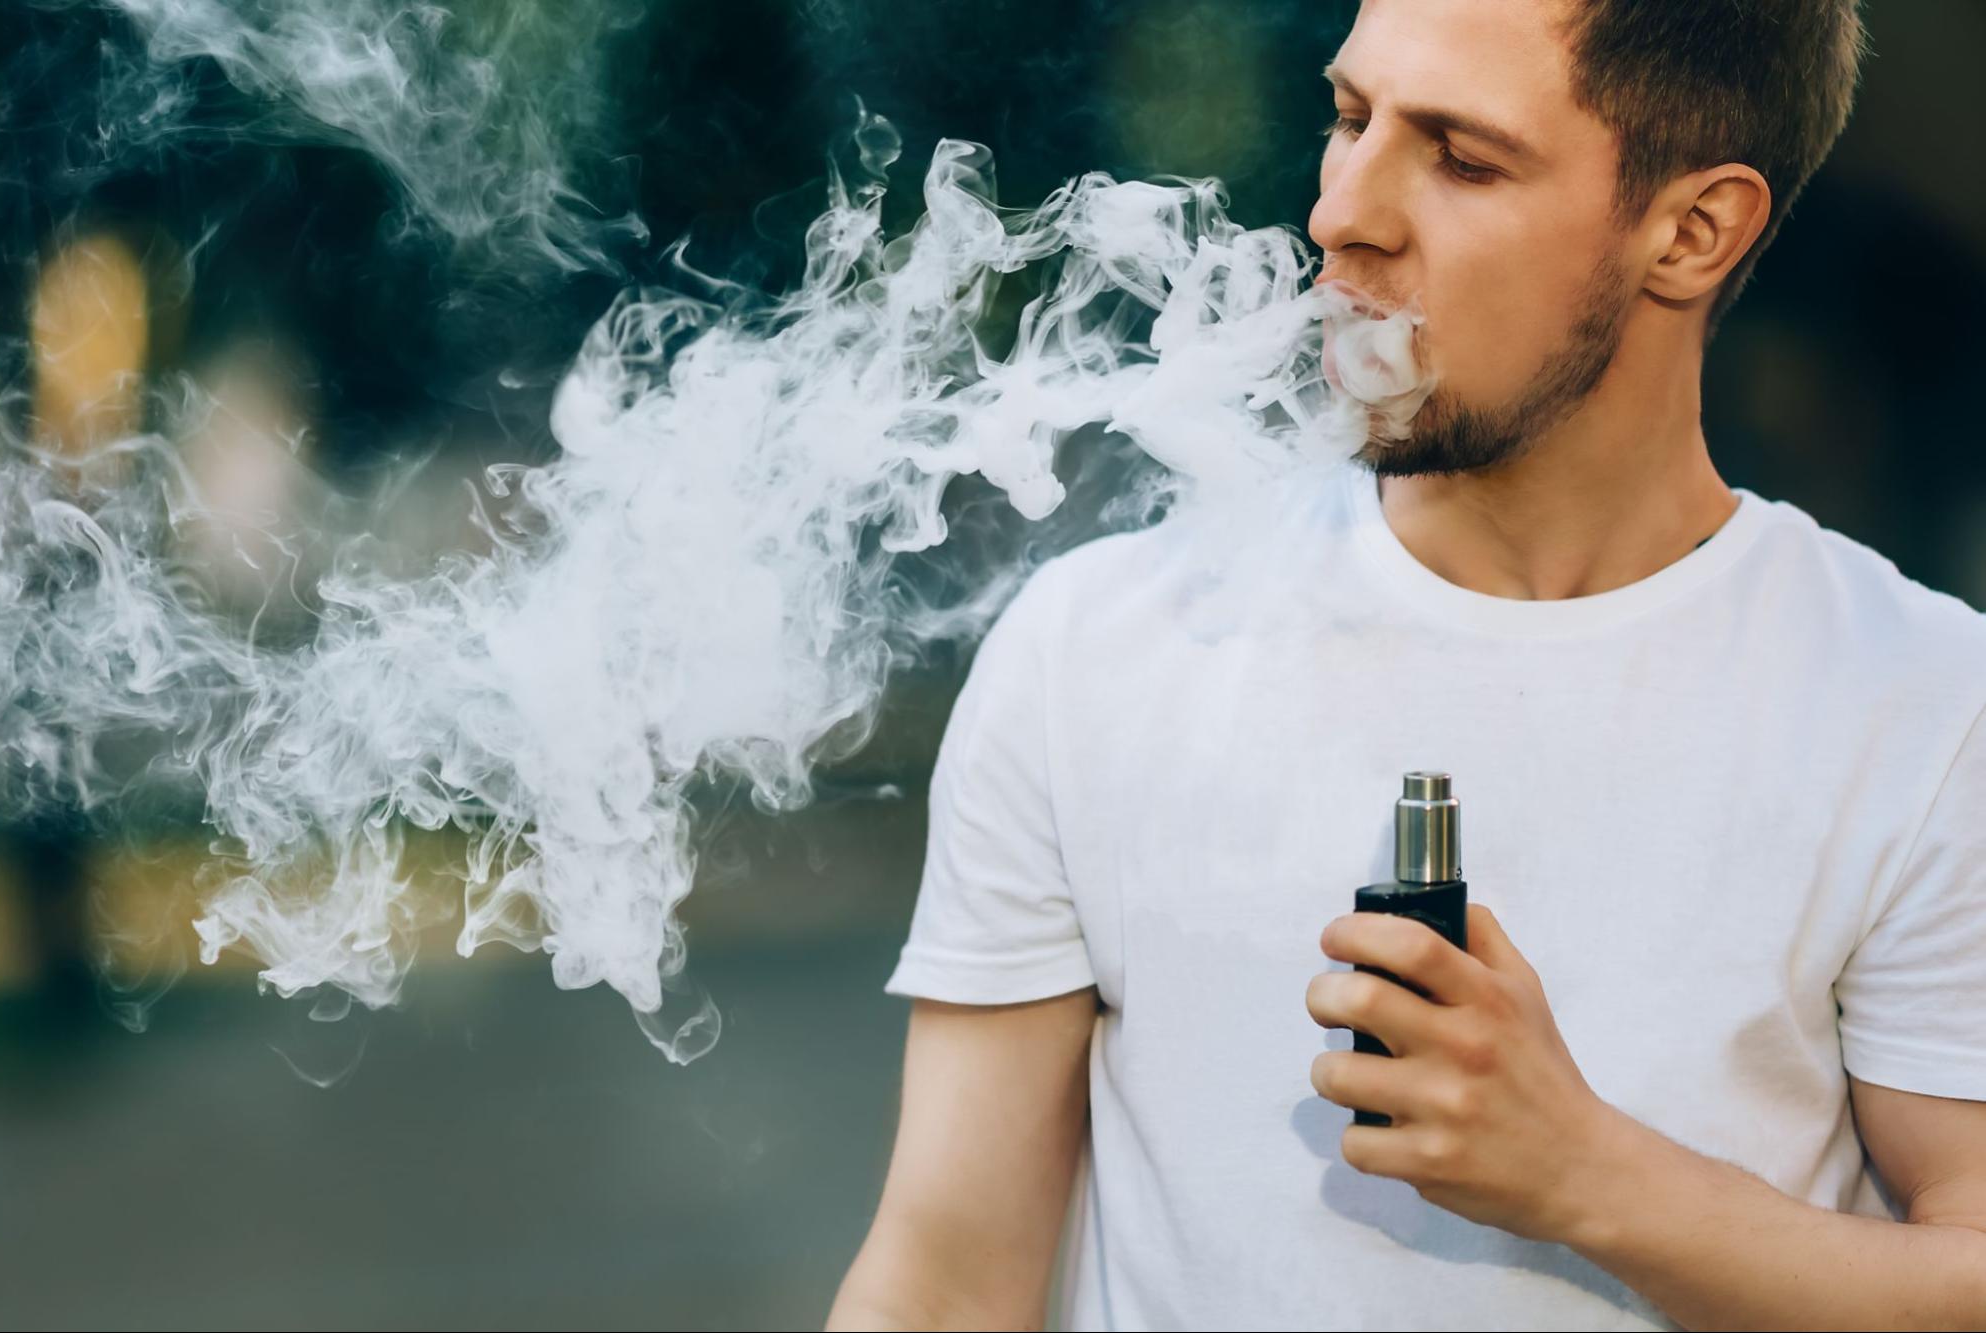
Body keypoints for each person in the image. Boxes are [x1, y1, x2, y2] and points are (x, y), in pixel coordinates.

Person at [828, 0, 1986, 1327]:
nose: (1344, 215)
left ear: (1692, 231)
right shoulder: (1096, 648)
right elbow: (941, 1279)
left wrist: (1588, 1173)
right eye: (1350, 117)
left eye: (1461, 157)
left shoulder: (1923, 706)